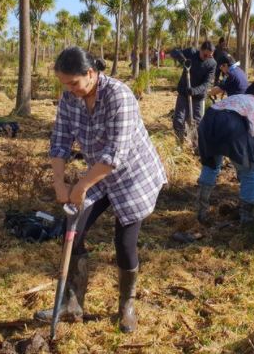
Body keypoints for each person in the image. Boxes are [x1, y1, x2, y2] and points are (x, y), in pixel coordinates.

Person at [38, 47, 166, 334]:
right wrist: (60, 183)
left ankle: (126, 307)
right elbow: (59, 141)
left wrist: (81, 185)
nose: (69, 90)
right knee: (73, 229)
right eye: (64, 84)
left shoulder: (120, 96)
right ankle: (71, 303)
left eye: (74, 83)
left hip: (132, 176)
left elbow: (115, 155)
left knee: (124, 243)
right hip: (99, 174)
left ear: (92, 73)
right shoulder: (71, 99)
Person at [196, 83, 254, 226]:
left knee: (210, 165)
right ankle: (248, 219)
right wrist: (252, 163)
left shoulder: (236, 98)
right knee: (250, 174)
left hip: (208, 120)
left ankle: (201, 211)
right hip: (233, 124)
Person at [170, 41, 217, 141]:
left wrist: (194, 91)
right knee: (179, 119)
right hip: (183, 92)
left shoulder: (212, 64)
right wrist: (182, 60)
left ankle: (196, 146)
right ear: (200, 49)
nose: (207, 57)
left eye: (210, 56)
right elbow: (174, 52)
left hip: (198, 97)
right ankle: (179, 142)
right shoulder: (191, 52)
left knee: (197, 122)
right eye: (205, 55)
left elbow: (206, 84)